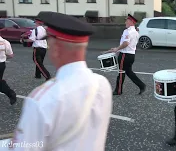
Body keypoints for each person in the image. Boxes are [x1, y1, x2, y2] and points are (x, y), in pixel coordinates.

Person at [6, 11, 113, 151]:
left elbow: (24, 148)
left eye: (49, 43)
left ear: (56, 49)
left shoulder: (41, 99)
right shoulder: (102, 83)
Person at [103, 14, 146, 95]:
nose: (125, 21)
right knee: (129, 72)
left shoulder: (127, 31)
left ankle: (118, 91)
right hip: (131, 55)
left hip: (124, 55)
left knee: (121, 72)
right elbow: (127, 44)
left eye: (127, 20)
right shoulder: (136, 32)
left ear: (131, 22)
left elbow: (126, 43)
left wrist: (117, 49)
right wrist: (117, 48)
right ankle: (141, 85)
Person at [0, 22, 16, 105]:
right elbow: (11, 55)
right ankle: (11, 94)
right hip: (1, 64)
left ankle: (11, 93)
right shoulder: (5, 42)